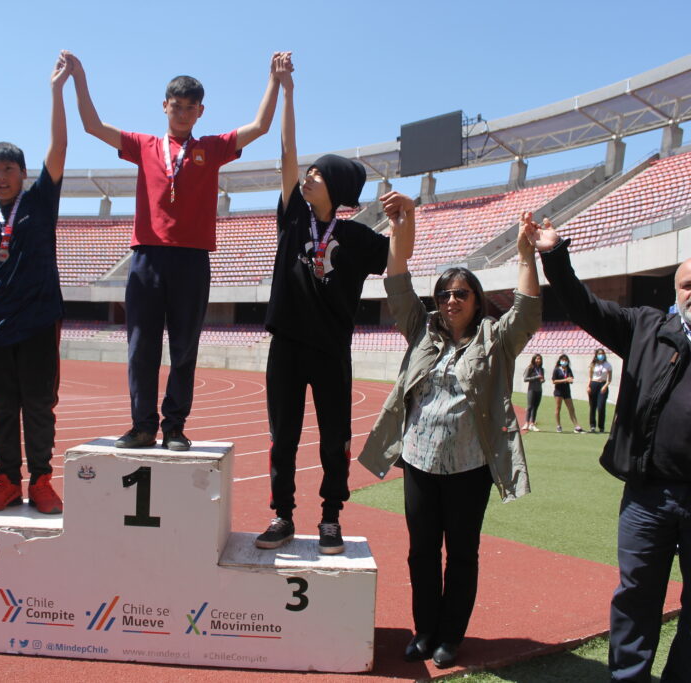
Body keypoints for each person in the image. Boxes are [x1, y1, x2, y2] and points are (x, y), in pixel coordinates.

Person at [527, 215, 691, 683]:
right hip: (648, 499)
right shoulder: (645, 329)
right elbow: (583, 306)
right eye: (687, 285)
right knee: (637, 598)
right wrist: (554, 254)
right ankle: (629, 678)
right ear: (676, 293)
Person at [66, 50, 284, 452]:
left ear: (201, 111)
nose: (182, 114)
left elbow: (260, 126)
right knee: (140, 347)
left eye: (190, 108)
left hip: (192, 258)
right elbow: (92, 126)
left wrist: (275, 80)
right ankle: (143, 426)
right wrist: (79, 77)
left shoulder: (213, 148)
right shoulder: (143, 145)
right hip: (147, 257)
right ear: (164, 106)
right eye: (176, 106)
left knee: (185, 346)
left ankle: (175, 427)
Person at [359, 210, 542, 668]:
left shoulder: (495, 340)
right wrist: (401, 233)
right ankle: (425, 631)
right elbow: (398, 284)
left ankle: (450, 637)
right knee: (421, 551)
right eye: (444, 294)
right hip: (419, 462)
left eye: (461, 294)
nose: (451, 300)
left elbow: (528, 311)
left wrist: (526, 256)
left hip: (470, 467)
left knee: (461, 553)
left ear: (477, 301)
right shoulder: (421, 330)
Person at [253, 55, 390, 556]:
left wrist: (409, 217)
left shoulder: (357, 237)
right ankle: (282, 515)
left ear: (336, 187)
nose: (306, 177)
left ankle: (331, 518)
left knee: (334, 438)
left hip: (332, 349)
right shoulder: (293, 219)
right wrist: (286, 92)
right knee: (282, 438)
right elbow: (286, 150)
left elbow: (400, 258)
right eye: (306, 173)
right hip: (286, 346)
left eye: (316, 174)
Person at [0, 54, 70, 514]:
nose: (1, 177)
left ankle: (41, 479)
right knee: (2, 409)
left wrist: (57, 91)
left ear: (23, 173)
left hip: (40, 321)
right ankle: (6, 480)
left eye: (8, 170)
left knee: (39, 404)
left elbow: (59, 147)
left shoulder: (41, 200)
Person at [552, 353, 584, 433]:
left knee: (571, 408)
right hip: (558, 391)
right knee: (558, 408)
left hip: (566, 391)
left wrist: (570, 380)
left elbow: (571, 378)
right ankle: (558, 425)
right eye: (563, 360)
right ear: (560, 361)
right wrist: (565, 380)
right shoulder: (556, 369)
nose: (564, 362)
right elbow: (554, 381)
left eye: (566, 360)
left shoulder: (568, 369)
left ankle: (576, 425)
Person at [587, 347, 612, 433]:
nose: (601, 355)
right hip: (594, 384)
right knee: (592, 406)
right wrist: (588, 386)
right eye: (599, 354)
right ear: (596, 355)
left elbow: (609, 379)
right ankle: (592, 425)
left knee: (601, 406)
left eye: (602, 354)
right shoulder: (593, 364)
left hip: (603, 384)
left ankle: (601, 426)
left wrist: (605, 386)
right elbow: (590, 377)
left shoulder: (607, 365)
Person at [522, 353, 545, 431]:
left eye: (539, 359)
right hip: (531, 389)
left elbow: (542, 379)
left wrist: (542, 380)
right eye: (537, 358)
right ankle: (526, 423)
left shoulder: (541, 369)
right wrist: (536, 377)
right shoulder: (530, 368)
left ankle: (532, 424)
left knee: (535, 407)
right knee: (529, 406)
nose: (538, 360)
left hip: (539, 390)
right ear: (534, 359)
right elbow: (525, 379)